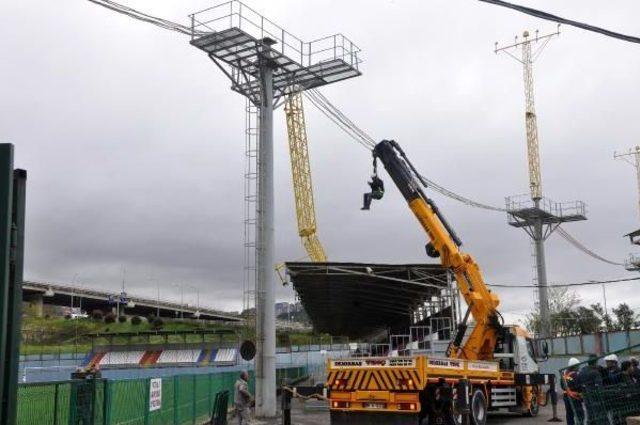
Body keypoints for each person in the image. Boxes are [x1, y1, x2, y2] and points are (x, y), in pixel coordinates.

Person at [562, 358, 584, 425]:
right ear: (574, 366)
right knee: (580, 415)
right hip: (575, 398)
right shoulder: (575, 375)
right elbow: (579, 387)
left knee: (569, 415)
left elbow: (562, 386)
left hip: (566, 397)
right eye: (578, 366)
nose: (579, 367)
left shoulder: (564, 375)